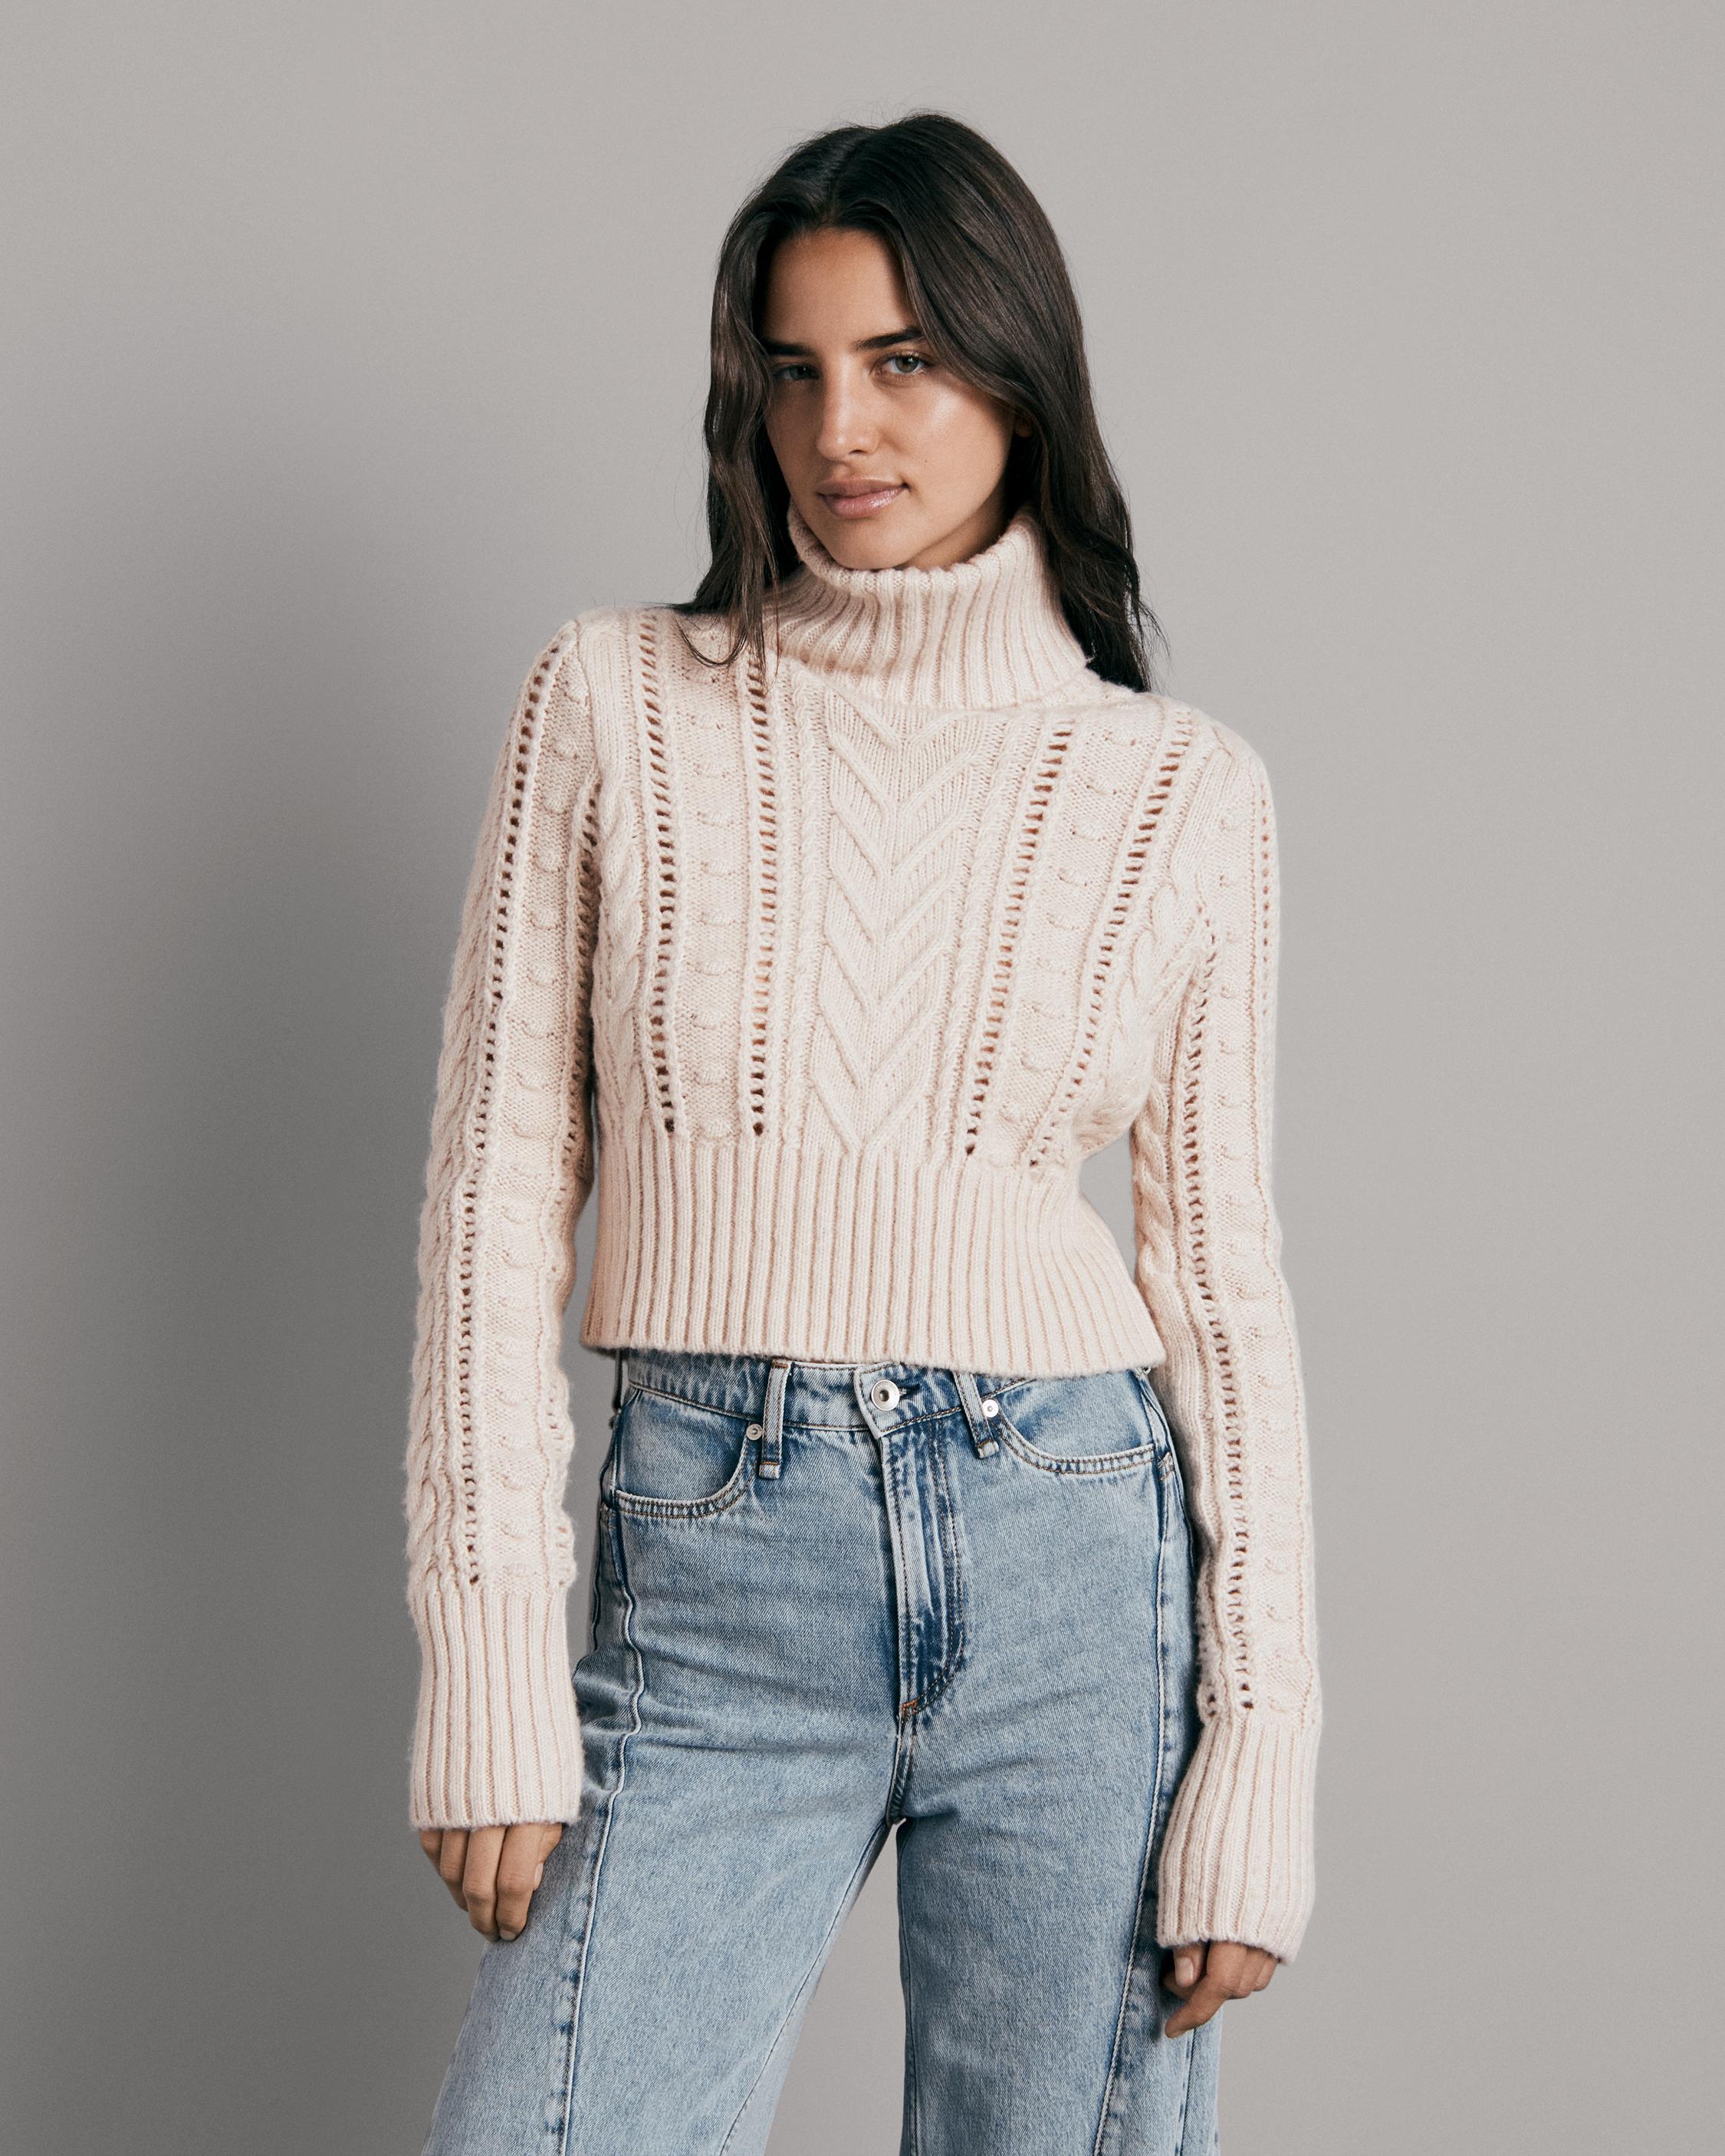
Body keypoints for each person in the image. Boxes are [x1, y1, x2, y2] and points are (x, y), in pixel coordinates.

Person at [404, 109, 1321, 2156]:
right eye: (794, 368)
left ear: (1018, 375)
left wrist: (1261, 1746)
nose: (842, 428)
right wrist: (489, 1649)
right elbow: (493, 1193)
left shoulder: (1179, 788)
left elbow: (1225, 1290)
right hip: (717, 1549)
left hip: (1075, 1554)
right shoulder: (613, 703)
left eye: (903, 360)